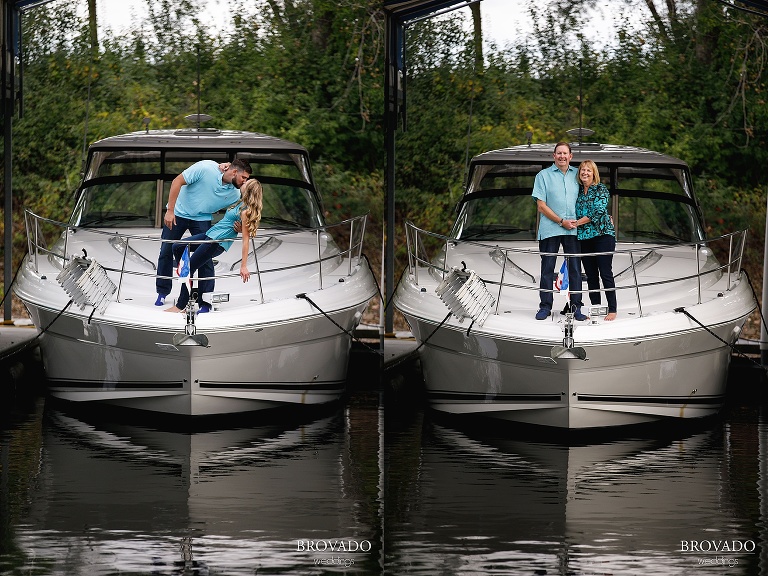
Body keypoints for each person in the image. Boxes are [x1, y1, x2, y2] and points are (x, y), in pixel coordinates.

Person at [155, 158, 252, 309]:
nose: (244, 182)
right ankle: (162, 292)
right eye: (243, 178)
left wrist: (241, 227)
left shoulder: (236, 193)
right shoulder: (206, 168)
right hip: (178, 213)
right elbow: (177, 181)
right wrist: (170, 210)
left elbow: (247, 209)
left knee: (206, 258)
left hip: (202, 218)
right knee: (166, 251)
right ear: (234, 172)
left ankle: (205, 300)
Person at [165, 178, 263, 313]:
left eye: (246, 183)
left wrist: (244, 265)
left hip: (217, 242)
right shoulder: (239, 203)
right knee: (177, 246)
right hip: (210, 235)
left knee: (189, 268)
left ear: (249, 190)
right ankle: (186, 275)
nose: (243, 183)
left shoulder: (245, 212)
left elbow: (246, 240)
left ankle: (182, 305)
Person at [531, 141, 587, 321]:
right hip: (550, 229)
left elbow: (589, 197)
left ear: (571, 156)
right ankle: (545, 307)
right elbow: (541, 206)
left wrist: (601, 216)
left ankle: (576, 307)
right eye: (559, 153)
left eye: (565, 154)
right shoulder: (543, 176)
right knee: (547, 269)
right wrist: (561, 221)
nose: (562, 156)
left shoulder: (578, 175)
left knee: (575, 270)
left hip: (574, 229)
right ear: (553, 156)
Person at [574, 160, 617, 321]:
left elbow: (597, 212)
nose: (585, 173)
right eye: (582, 170)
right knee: (591, 275)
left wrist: (576, 223)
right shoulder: (577, 191)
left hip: (603, 236)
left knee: (605, 273)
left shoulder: (601, 189)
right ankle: (596, 307)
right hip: (584, 238)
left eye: (588, 170)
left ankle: (612, 309)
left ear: (594, 174)